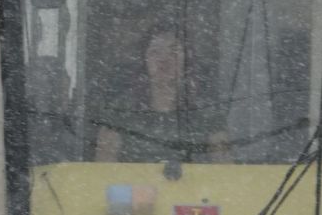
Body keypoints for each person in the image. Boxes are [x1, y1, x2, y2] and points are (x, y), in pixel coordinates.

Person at [93, 24, 230, 164]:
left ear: (187, 60)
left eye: (174, 52)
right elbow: (105, 163)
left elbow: (223, 165)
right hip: (135, 185)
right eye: (155, 52)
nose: (164, 60)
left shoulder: (206, 110)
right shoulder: (121, 108)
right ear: (144, 60)